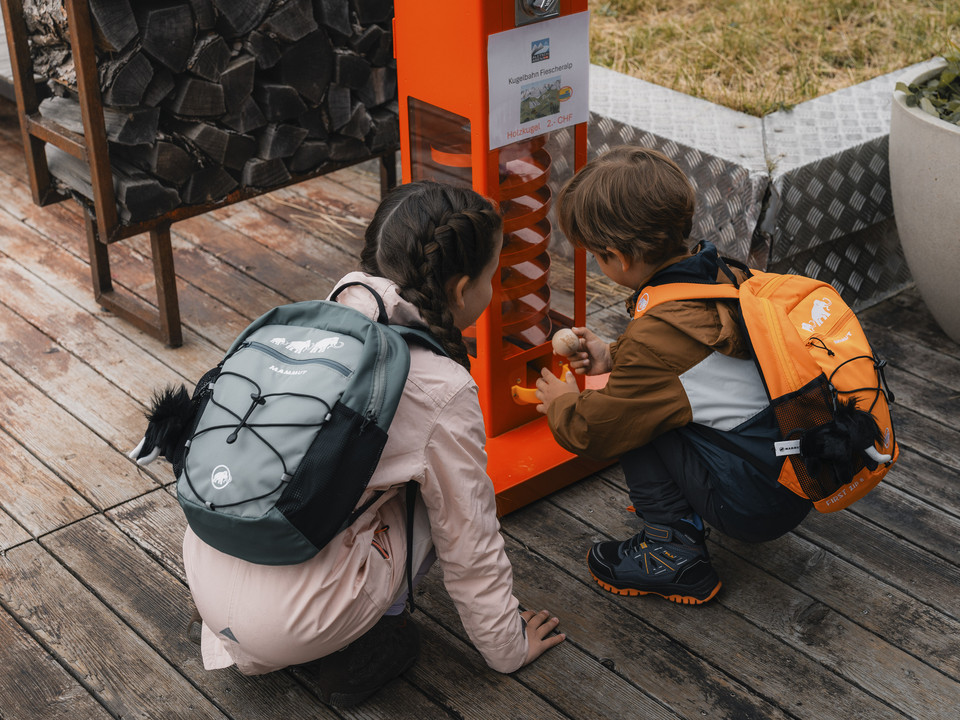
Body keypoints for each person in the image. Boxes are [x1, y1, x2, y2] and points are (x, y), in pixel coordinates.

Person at [183, 181, 564, 706]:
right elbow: (469, 538)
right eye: (492, 276)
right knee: (440, 496)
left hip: (208, 568)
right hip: (291, 621)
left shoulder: (313, 326)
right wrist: (508, 647)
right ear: (460, 290)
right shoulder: (440, 385)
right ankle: (366, 643)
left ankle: (268, 614)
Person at [534, 146, 812, 605]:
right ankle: (683, 512)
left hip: (753, 505)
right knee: (643, 399)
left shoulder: (656, 337)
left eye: (595, 257)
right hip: (792, 474)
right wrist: (613, 356)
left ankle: (672, 551)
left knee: (630, 420)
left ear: (617, 258)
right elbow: (687, 365)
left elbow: (595, 429)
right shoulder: (723, 274)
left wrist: (562, 401)